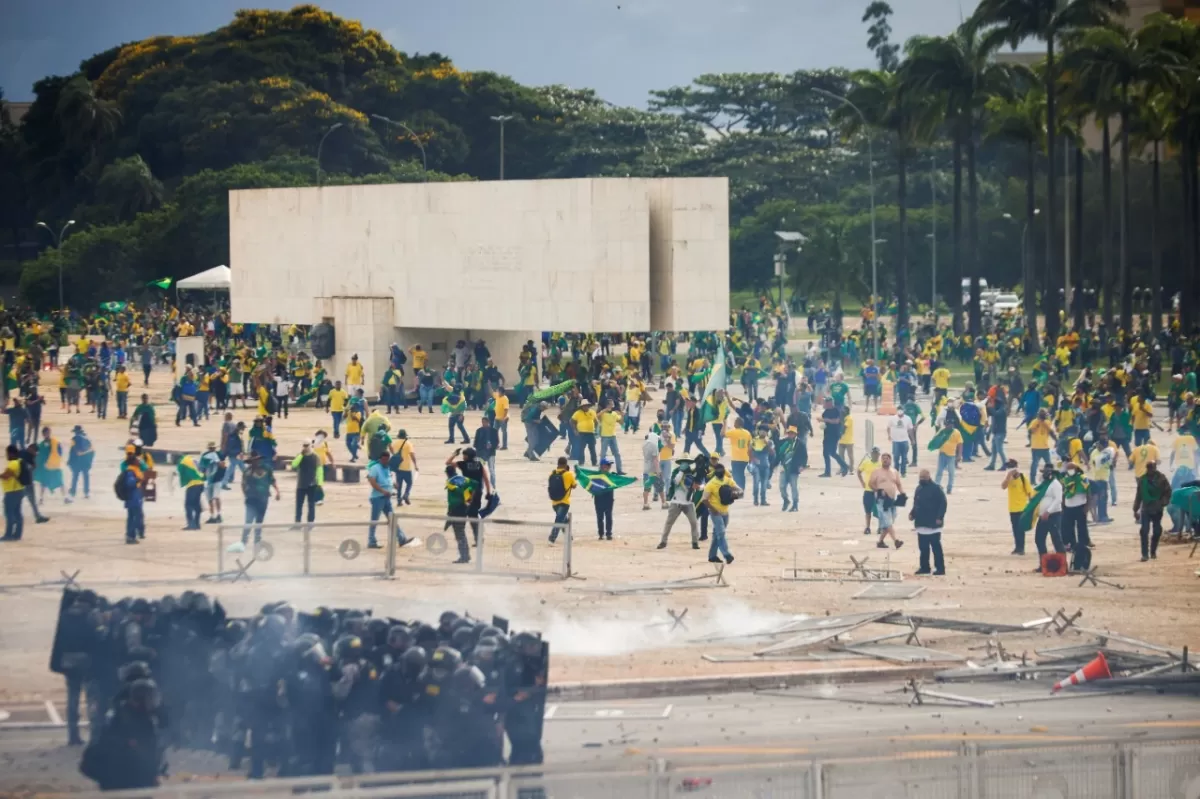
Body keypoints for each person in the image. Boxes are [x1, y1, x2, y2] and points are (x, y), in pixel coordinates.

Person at [227, 455, 279, 553]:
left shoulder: (267, 469)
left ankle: (257, 542)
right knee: (248, 521)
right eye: (254, 461)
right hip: (251, 500)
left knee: (259, 522)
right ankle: (243, 542)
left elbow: (273, 480)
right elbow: (243, 484)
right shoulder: (247, 472)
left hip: (263, 499)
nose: (256, 462)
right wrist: (246, 495)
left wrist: (277, 492)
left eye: (257, 460)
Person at [910, 468, 947, 575]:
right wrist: (912, 514)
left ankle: (940, 568)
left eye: (924, 478)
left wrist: (940, 517)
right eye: (920, 478)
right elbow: (916, 503)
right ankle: (924, 567)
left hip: (933, 524)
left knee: (936, 548)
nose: (922, 479)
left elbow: (943, 504)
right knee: (923, 548)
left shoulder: (936, 489)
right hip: (921, 523)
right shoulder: (918, 488)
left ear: (929, 477)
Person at [1133, 459, 1172, 562]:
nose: (1151, 470)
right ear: (1147, 468)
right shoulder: (1142, 480)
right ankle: (1144, 554)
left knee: (1157, 531)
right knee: (1144, 531)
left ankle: (1153, 551)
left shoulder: (1162, 479)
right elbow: (1138, 496)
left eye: (1152, 468)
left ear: (1155, 468)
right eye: (1149, 468)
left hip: (1157, 509)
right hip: (1145, 509)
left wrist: (1163, 502)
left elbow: (1168, 492)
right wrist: (1135, 510)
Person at [702, 462, 740, 565]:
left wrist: (735, 493)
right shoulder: (710, 484)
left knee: (717, 534)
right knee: (721, 533)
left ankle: (712, 556)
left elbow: (740, 491)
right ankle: (727, 554)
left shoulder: (728, 481)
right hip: (716, 512)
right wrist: (712, 509)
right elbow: (704, 499)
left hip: (725, 511)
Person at [659, 459, 701, 550]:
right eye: (683, 463)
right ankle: (663, 541)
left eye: (686, 463)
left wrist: (697, 486)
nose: (685, 464)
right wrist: (681, 471)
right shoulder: (676, 472)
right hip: (676, 502)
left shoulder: (693, 474)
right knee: (669, 523)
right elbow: (676, 481)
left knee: (694, 522)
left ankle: (695, 542)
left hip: (688, 503)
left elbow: (699, 485)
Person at [869, 452, 904, 549]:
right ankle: (896, 541)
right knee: (888, 522)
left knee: (889, 522)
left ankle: (880, 542)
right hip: (881, 501)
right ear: (881, 460)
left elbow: (898, 484)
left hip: (892, 500)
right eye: (883, 458)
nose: (885, 460)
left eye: (887, 458)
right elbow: (870, 484)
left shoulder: (894, 471)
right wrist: (878, 490)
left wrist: (902, 493)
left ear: (890, 460)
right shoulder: (877, 472)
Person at [1033, 463, 1065, 570]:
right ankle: (1043, 564)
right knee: (1039, 539)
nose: (1045, 474)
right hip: (1042, 516)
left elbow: (1058, 499)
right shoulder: (1043, 484)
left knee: (1056, 540)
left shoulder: (1055, 484)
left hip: (1054, 515)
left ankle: (1063, 566)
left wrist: (1048, 511)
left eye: (1047, 472)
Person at [366, 451, 398, 549]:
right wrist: (383, 491)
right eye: (384, 460)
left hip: (387, 497)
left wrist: (393, 485)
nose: (385, 461)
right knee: (374, 520)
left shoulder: (388, 468)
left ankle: (401, 538)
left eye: (387, 460)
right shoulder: (375, 468)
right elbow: (372, 482)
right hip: (377, 498)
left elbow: (388, 480)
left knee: (392, 519)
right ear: (380, 459)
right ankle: (371, 541)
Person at [1001, 459, 1034, 555]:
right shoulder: (1009, 479)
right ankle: (1017, 547)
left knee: (1020, 529)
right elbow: (1003, 486)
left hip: (1022, 508)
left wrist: (1031, 508)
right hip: (1012, 508)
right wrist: (1008, 476)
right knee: (1015, 529)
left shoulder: (1023, 478)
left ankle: (1021, 548)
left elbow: (1030, 493)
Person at [1061, 461, 1091, 559]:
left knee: (1081, 526)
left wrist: (1087, 506)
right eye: (1068, 469)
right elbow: (1063, 493)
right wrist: (1062, 505)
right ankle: (1072, 544)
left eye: (1071, 468)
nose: (1070, 471)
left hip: (1080, 506)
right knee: (1069, 527)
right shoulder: (1065, 479)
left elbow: (1088, 492)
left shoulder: (1083, 479)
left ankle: (1083, 544)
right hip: (1068, 507)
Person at [444, 463, 473, 563]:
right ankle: (466, 555)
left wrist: (449, 513)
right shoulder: (464, 479)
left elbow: (451, 500)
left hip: (456, 510)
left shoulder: (450, 483)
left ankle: (464, 556)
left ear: (447, 474)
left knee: (459, 534)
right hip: (465, 509)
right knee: (462, 532)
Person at [118, 450, 148, 545]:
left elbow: (146, 468)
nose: (139, 462)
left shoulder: (134, 469)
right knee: (135, 517)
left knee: (133, 517)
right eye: (137, 461)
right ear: (134, 462)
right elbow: (130, 483)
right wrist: (138, 479)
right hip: (133, 498)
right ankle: (131, 536)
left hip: (134, 497)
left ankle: (131, 535)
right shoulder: (130, 471)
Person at [292, 441, 321, 529]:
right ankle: (297, 524)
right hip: (301, 484)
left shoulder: (315, 456)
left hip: (312, 484)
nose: (305, 447)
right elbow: (294, 465)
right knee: (298, 505)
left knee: (311, 505)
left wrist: (320, 483)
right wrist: (301, 455)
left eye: (306, 445)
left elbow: (319, 470)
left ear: (310, 445)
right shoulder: (300, 456)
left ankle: (310, 523)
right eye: (304, 445)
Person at [817, 397, 850, 477]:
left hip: (835, 434)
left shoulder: (836, 410)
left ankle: (843, 466)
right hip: (827, 434)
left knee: (832, 452)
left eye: (826, 403)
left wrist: (826, 420)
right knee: (827, 453)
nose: (824, 404)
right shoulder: (825, 412)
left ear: (830, 403)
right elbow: (825, 422)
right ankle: (832, 470)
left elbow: (836, 421)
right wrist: (822, 423)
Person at [35, 426, 67, 505]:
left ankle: (65, 497)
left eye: (48, 433)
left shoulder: (54, 442)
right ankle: (41, 498)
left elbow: (60, 452)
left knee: (60, 482)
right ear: (43, 434)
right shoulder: (42, 445)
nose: (48, 434)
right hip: (47, 467)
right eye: (46, 433)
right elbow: (40, 456)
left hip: (54, 466)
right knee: (44, 483)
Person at [547, 456, 575, 543]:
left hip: (554, 502)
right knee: (559, 520)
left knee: (563, 519)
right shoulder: (569, 474)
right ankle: (552, 539)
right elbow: (574, 485)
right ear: (566, 464)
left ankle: (568, 537)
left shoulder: (552, 473)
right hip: (564, 502)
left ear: (558, 464)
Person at [933, 422, 964, 495]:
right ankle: (936, 486)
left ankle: (949, 488)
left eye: (950, 425)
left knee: (951, 472)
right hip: (942, 454)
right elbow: (935, 439)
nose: (949, 426)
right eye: (947, 425)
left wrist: (959, 455)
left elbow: (960, 444)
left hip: (951, 456)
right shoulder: (942, 431)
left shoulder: (956, 432)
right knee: (939, 471)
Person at [856, 447, 881, 536]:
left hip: (878, 490)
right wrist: (862, 482)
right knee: (867, 510)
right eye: (873, 453)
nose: (875, 455)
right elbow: (858, 471)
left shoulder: (881, 464)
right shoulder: (866, 462)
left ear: (879, 454)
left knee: (879, 510)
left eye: (876, 453)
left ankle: (880, 527)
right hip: (868, 490)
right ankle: (868, 527)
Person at [198, 441, 225, 524]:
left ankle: (219, 515)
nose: (212, 450)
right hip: (208, 480)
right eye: (211, 448)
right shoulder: (204, 456)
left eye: (213, 448)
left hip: (216, 479)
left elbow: (223, 465)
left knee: (216, 497)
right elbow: (201, 468)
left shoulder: (219, 455)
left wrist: (217, 461)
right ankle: (213, 516)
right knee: (210, 499)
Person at [1, 445, 23, 541]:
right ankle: (17, 534)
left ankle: (8, 534)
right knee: (17, 513)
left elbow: (6, 476)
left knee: (9, 513)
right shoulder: (20, 462)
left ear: (11, 453)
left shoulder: (13, 464)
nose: (6, 455)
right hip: (19, 490)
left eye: (7, 453)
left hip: (12, 491)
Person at [389, 430, 417, 506]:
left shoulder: (394, 443)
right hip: (407, 467)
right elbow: (412, 455)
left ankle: (399, 501)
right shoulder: (408, 444)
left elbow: (392, 451)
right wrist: (415, 465)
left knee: (399, 485)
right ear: (405, 436)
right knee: (409, 483)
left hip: (398, 467)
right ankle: (406, 495)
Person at [592, 458, 617, 540]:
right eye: (608, 465)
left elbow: (621, 481)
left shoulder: (612, 476)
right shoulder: (596, 476)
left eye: (609, 465)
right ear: (602, 466)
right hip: (598, 499)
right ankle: (601, 534)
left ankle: (609, 533)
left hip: (609, 499)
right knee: (600, 517)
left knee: (608, 516)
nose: (609, 467)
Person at [67, 425, 94, 501]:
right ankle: (86, 492)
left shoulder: (74, 439)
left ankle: (73, 491)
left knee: (75, 477)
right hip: (85, 461)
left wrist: (69, 461)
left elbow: (72, 451)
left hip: (77, 461)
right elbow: (92, 451)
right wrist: (90, 461)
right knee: (86, 476)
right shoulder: (87, 439)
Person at [1028, 410, 1056, 482]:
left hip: (1045, 447)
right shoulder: (1034, 421)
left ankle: (1051, 478)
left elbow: (1050, 432)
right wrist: (1038, 424)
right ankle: (1032, 480)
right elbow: (1031, 431)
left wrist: (1056, 440)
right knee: (1035, 464)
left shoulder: (1047, 422)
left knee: (1049, 464)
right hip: (1036, 447)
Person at [724, 417, 752, 491]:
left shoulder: (733, 432)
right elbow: (750, 446)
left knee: (736, 475)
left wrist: (724, 424)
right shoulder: (747, 433)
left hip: (736, 458)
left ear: (738, 423)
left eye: (735, 422)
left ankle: (738, 489)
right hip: (745, 458)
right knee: (742, 474)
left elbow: (722, 434)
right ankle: (742, 488)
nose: (734, 424)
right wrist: (751, 458)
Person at [597, 401, 624, 474]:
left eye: (612, 405)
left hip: (613, 435)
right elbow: (597, 416)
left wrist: (622, 415)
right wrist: (605, 410)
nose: (611, 406)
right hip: (605, 436)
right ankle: (601, 469)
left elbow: (621, 422)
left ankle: (619, 470)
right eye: (610, 405)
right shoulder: (603, 414)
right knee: (603, 453)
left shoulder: (614, 414)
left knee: (617, 453)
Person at [473, 416, 500, 489]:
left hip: (491, 453)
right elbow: (475, 443)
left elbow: (497, 442)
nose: (483, 424)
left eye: (485, 422)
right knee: (480, 470)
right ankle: (481, 486)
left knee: (491, 470)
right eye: (482, 422)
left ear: (488, 422)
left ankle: (493, 485)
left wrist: (492, 446)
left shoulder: (494, 431)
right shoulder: (479, 431)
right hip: (481, 454)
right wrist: (483, 446)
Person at [570, 400, 598, 465]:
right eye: (584, 406)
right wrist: (575, 430)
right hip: (581, 433)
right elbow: (571, 421)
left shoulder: (592, 412)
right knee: (581, 448)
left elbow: (596, 421)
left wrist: (595, 429)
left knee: (592, 448)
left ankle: (594, 462)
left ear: (588, 406)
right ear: (582, 407)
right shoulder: (577, 413)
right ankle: (581, 462)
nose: (585, 407)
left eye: (587, 406)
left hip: (591, 433)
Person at [888, 409, 913, 477]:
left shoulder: (908, 418)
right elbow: (888, 427)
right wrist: (889, 435)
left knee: (904, 457)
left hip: (904, 441)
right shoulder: (893, 418)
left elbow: (910, 430)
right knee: (896, 457)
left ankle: (903, 472)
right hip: (895, 441)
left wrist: (912, 440)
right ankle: (896, 472)